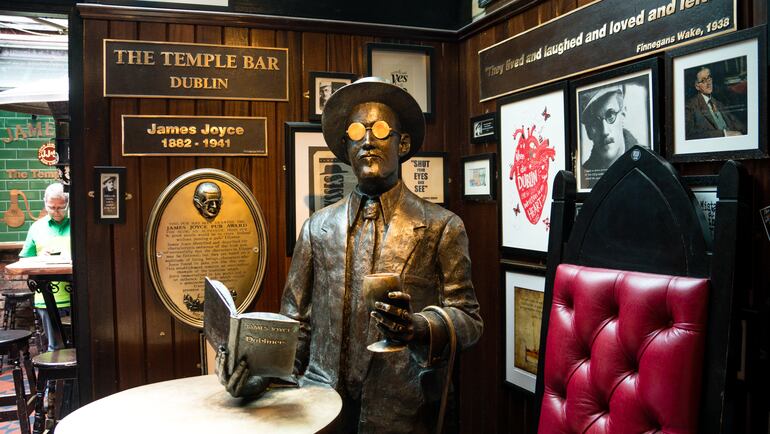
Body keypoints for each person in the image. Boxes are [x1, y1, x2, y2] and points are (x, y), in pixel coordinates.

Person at [218, 77, 483, 433]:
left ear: (402, 143)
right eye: (357, 132)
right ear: (345, 148)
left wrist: (419, 327)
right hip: (322, 407)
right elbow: (295, 325)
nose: (369, 140)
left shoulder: (441, 227)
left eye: (381, 129)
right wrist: (256, 376)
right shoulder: (316, 228)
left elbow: (469, 320)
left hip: (402, 407)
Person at [19, 182, 71, 351]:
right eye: (52, 207)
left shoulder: (78, 225)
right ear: (45, 203)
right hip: (46, 298)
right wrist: (39, 258)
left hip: (77, 297)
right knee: (55, 348)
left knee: (81, 349)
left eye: (61, 207)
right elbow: (24, 261)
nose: (56, 212)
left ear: (68, 204)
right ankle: (56, 378)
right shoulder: (37, 227)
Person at [580, 85, 639, 188]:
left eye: (610, 115)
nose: (605, 131)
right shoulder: (583, 178)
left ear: (623, 114)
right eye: (594, 122)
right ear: (588, 131)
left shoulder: (645, 163)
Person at [685, 67, 745, 140]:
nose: (708, 83)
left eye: (709, 78)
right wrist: (724, 134)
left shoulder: (718, 103)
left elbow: (737, 124)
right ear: (697, 86)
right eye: (703, 80)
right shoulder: (690, 106)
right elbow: (689, 135)